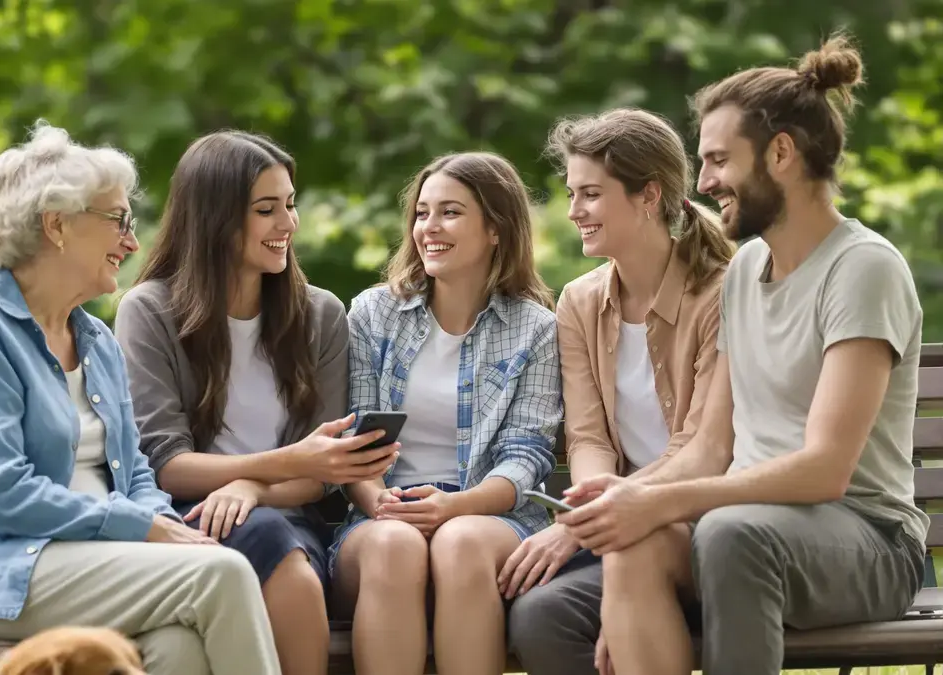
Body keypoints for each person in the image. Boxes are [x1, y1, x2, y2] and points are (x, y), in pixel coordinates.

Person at [554, 34, 927, 675]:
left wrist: (662, 503)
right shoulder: (747, 268)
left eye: (720, 160)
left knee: (730, 535)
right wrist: (626, 502)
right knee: (628, 550)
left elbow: (824, 472)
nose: (702, 183)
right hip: (748, 527)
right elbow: (707, 448)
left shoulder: (863, 269)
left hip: (867, 538)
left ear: (781, 153)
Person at [0, 121, 282, 675]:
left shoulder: (95, 339)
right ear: (57, 226)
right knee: (224, 574)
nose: (133, 241)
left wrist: (164, 527)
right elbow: (2, 494)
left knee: (177, 648)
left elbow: (136, 472)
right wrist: (143, 528)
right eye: (118, 219)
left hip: (80, 561)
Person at [113, 130, 397, 675]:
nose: (288, 224)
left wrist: (251, 485)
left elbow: (322, 473)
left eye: (290, 205)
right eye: (267, 209)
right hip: (187, 521)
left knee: (272, 531)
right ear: (214, 219)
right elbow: (165, 466)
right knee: (265, 535)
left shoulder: (320, 315)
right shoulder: (148, 312)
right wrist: (272, 470)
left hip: (297, 521)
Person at [502, 108, 735, 674]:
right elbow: (587, 438)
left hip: (712, 522)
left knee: (618, 576)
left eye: (590, 194)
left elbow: (702, 448)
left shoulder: (722, 293)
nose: (574, 211)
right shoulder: (580, 302)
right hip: (625, 521)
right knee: (539, 617)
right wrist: (591, 517)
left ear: (648, 195)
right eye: (572, 194)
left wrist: (592, 523)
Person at [329, 151, 564, 675]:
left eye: (450, 212)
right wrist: (384, 505)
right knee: (394, 545)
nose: (428, 227)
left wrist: (455, 509)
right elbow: (353, 438)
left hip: (492, 518)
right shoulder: (373, 313)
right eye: (422, 212)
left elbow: (526, 454)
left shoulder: (536, 328)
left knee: (459, 541)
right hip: (381, 514)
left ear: (496, 229)